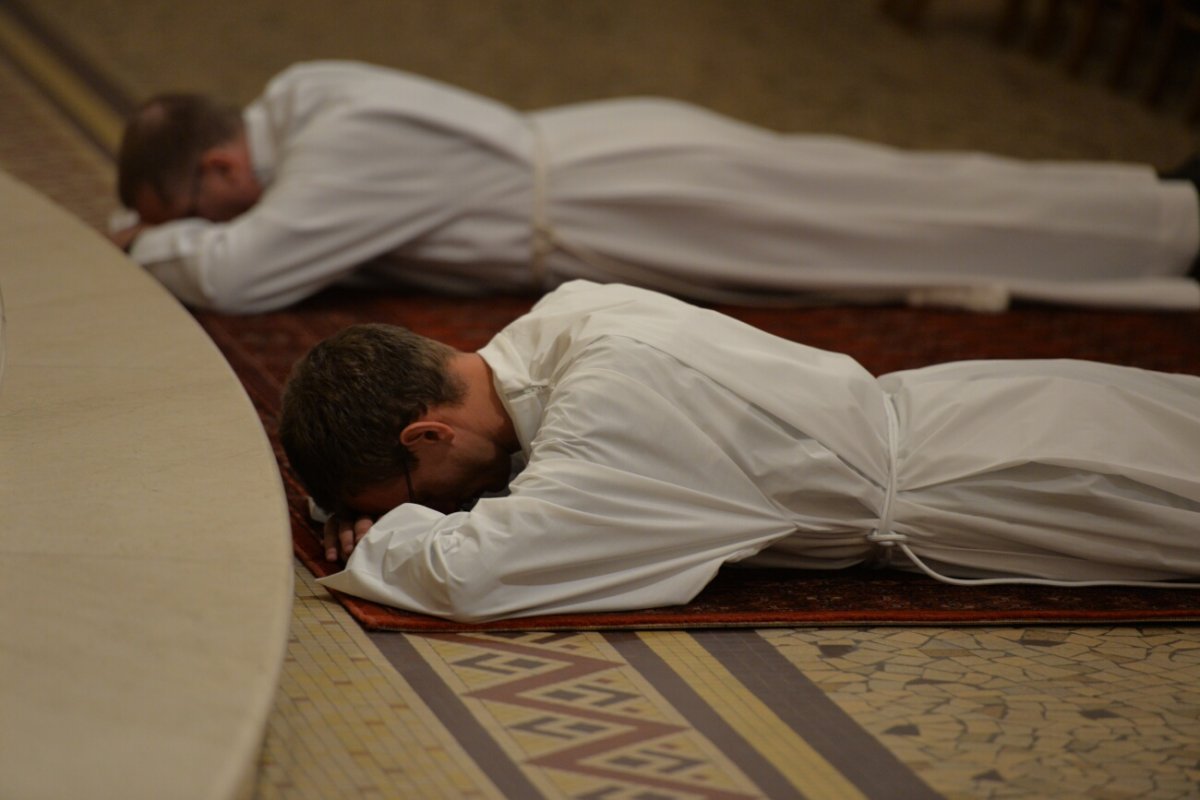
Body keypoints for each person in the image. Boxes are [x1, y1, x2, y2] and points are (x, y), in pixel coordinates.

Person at [278, 280, 1200, 623]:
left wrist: (385, 537)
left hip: (1004, 487)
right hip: (973, 399)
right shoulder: (566, 312)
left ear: (426, 434)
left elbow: (477, 574)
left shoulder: (604, 424)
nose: (432, 504)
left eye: (414, 484)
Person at [113, 60, 1200, 315]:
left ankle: (1169, 215)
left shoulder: (336, 147)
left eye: (195, 208)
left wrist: (138, 248)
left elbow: (243, 277)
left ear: (219, 166)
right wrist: (154, 221)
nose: (213, 220)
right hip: (615, 175)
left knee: (894, 222)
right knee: (888, 207)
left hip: (634, 196)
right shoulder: (299, 96)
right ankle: (1155, 209)